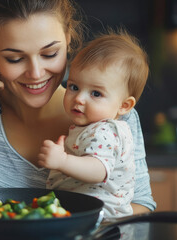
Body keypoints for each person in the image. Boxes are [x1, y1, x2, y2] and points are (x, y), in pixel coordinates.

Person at [0, 0, 156, 214]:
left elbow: (140, 205)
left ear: (68, 39)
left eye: (49, 54)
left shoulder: (112, 114)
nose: (36, 73)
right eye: (15, 58)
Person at [37, 30, 149, 219]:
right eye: (74, 87)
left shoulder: (106, 130)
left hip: (102, 218)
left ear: (124, 105)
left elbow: (98, 170)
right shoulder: (91, 127)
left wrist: (62, 161)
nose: (79, 98)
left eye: (96, 94)